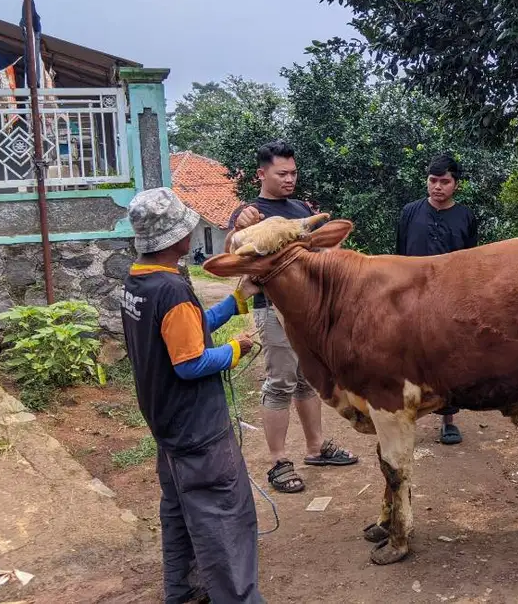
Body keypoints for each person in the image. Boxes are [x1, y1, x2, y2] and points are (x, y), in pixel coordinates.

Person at [120, 187, 264, 604]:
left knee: (180, 512)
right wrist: (236, 349)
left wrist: (236, 301)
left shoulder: (138, 282)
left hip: (166, 423)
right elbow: (190, 362)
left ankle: (184, 592)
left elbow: (187, 330)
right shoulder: (172, 290)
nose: (190, 232)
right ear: (176, 239)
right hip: (198, 430)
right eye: (186, 227)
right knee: (225, 517)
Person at [225, 140, 358, 494]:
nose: (290, 179)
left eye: (293, 173)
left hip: (307, 310)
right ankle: (278, 461)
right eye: (282, 173)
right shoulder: (249, 213)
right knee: (280, 382)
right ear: (261, 174)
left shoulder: (299, 208)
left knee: (306, 379)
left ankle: (316, 447)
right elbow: (232, 251)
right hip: (272, 309)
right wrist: (238, 226)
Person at [396, 153, 479, 445]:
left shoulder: (466, 216)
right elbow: (400, 254)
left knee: (447, 357)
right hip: (413, 296)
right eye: (433, 180)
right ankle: (405, 416)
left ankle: (448, 420)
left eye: (444, 181)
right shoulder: (409, 212)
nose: (437, 187)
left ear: (456, 184)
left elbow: (471, 261)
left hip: (450, 299)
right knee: (409, 356)